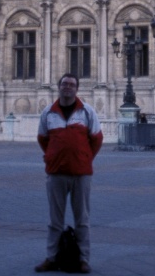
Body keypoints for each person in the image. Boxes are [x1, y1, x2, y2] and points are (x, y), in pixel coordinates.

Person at [35, 73, 102, 274]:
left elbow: (97, 139)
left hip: (81, 173)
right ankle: (51, 257)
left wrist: (84, 158)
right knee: (55, 220)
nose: (67, 88)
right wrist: (52, 157)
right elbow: (42, 138)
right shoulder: (48, 112)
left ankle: (83, 259)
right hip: (56, 172)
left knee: (82, 219)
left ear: (76, 89)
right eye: (65, 84)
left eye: (71, 85)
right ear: (59, 87)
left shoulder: (87, 111)